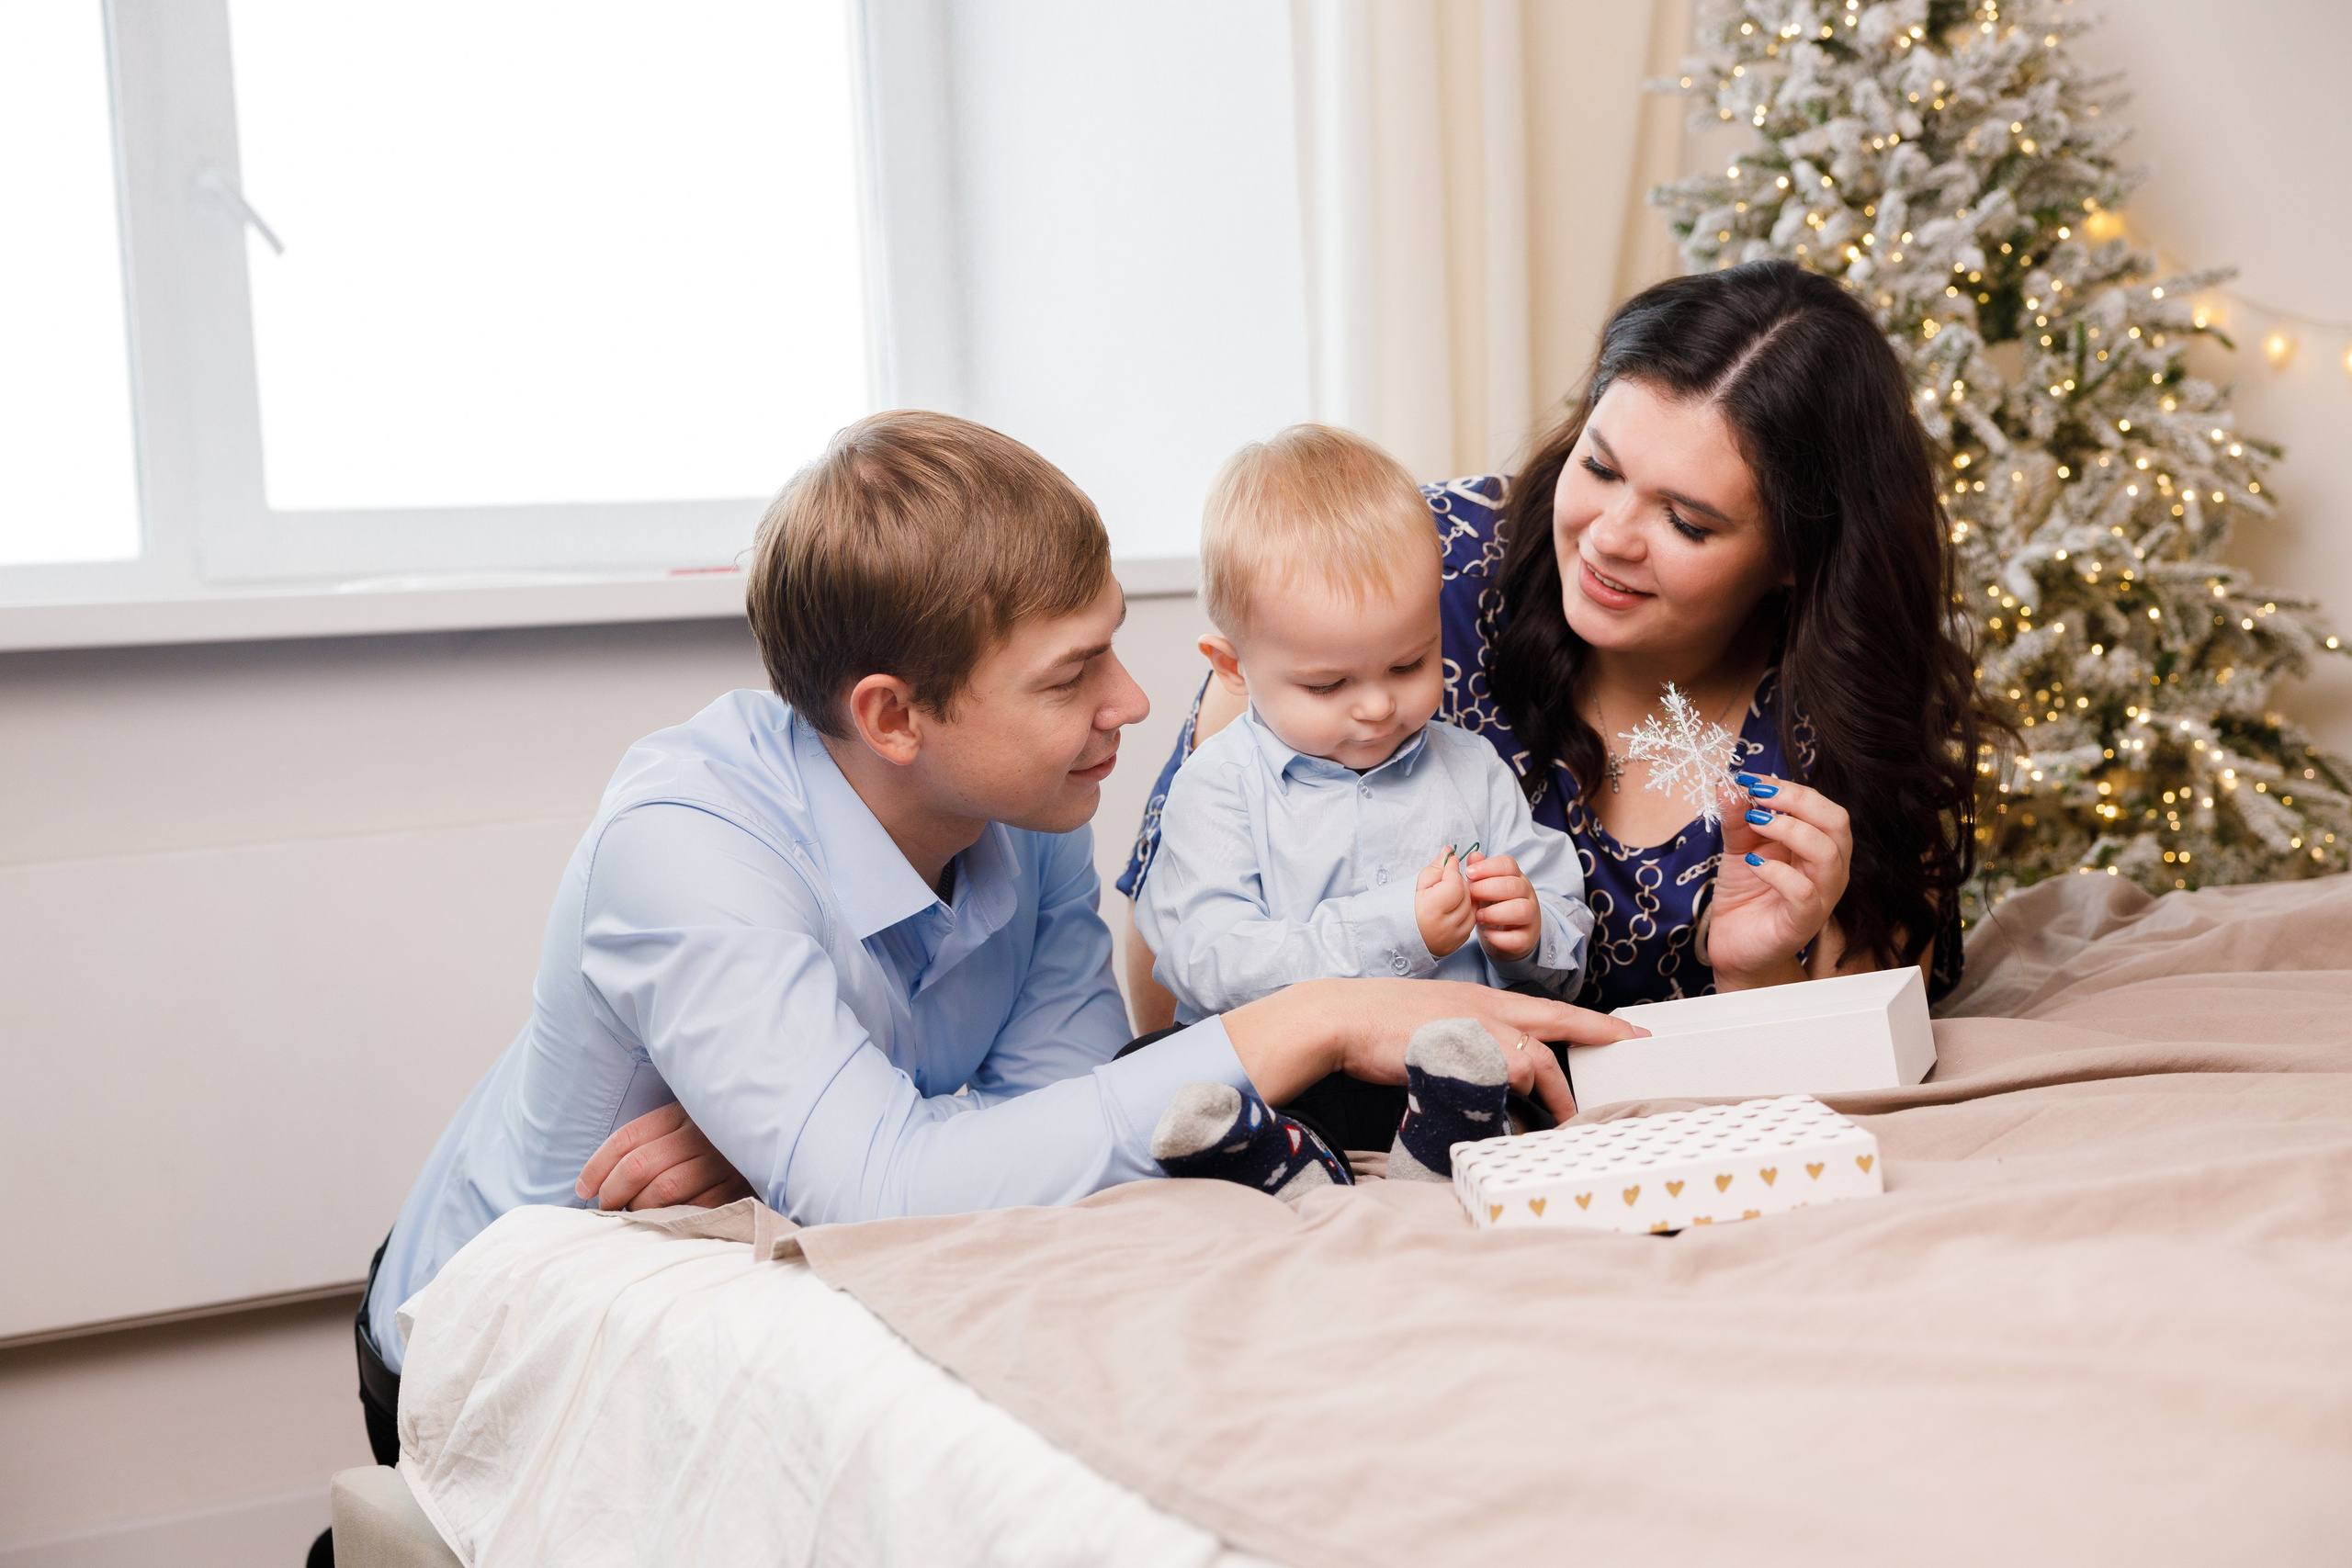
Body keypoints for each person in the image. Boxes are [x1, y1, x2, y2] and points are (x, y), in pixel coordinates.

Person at [342, 412, 1632, 1484]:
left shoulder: (1029, 806)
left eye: (1116, 643)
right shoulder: (686, 846)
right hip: (497, 1327)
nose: (1131, 703)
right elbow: (898, 1186)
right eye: (1074, 675)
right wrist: (1312, 1015)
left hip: (759, 1233)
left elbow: (1057, 1121)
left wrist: (803, 1134)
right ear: (893, 716)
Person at [1121, 260, 1994, 1147]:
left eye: (1686, 523)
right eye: (1602, 467)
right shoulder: (1409, 568)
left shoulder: (1835, 732)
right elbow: (1172, 972)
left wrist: (1757, 971)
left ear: (1797, 556)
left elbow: (1856, 1083)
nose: (1610, 538)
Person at [1133, 425, 1596, 1194]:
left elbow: (1565, 947)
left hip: (1440, 1067)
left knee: (1500, 1067)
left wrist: (1532, 928)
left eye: (1410, 664)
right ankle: (1292, 1155)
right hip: (1292, 1072)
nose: (1378, 706)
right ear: (1232, 666)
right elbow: (1208, 961)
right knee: (1150, 1068)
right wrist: (1394, 931)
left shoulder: (1471, 769)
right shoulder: (1217, 784)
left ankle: (1420, 1146)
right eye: (1327, 686)